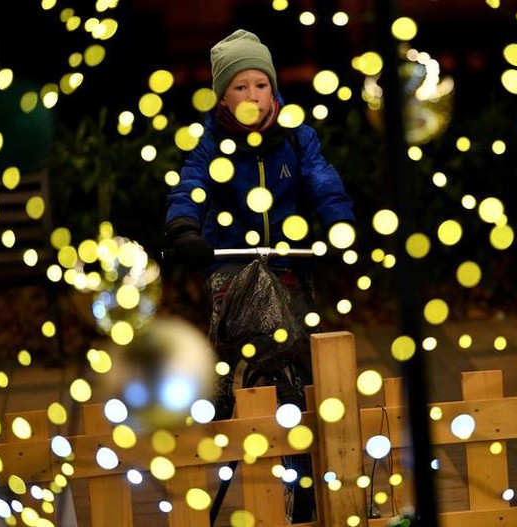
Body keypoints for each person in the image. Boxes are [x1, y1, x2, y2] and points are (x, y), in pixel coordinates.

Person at [164, 28, 355, 523]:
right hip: (230, 262)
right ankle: (225, 393)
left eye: (260, 85)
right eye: (239, 87)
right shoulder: (213, 144)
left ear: (274, 89)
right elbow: (191, 185)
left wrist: (338, 221)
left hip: (287, 259)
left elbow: (320, 177)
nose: (252, 96)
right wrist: (185, 225)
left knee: (308, 355)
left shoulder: (295, 135)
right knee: (236, 347)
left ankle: (308, 454)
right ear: (223, 97)